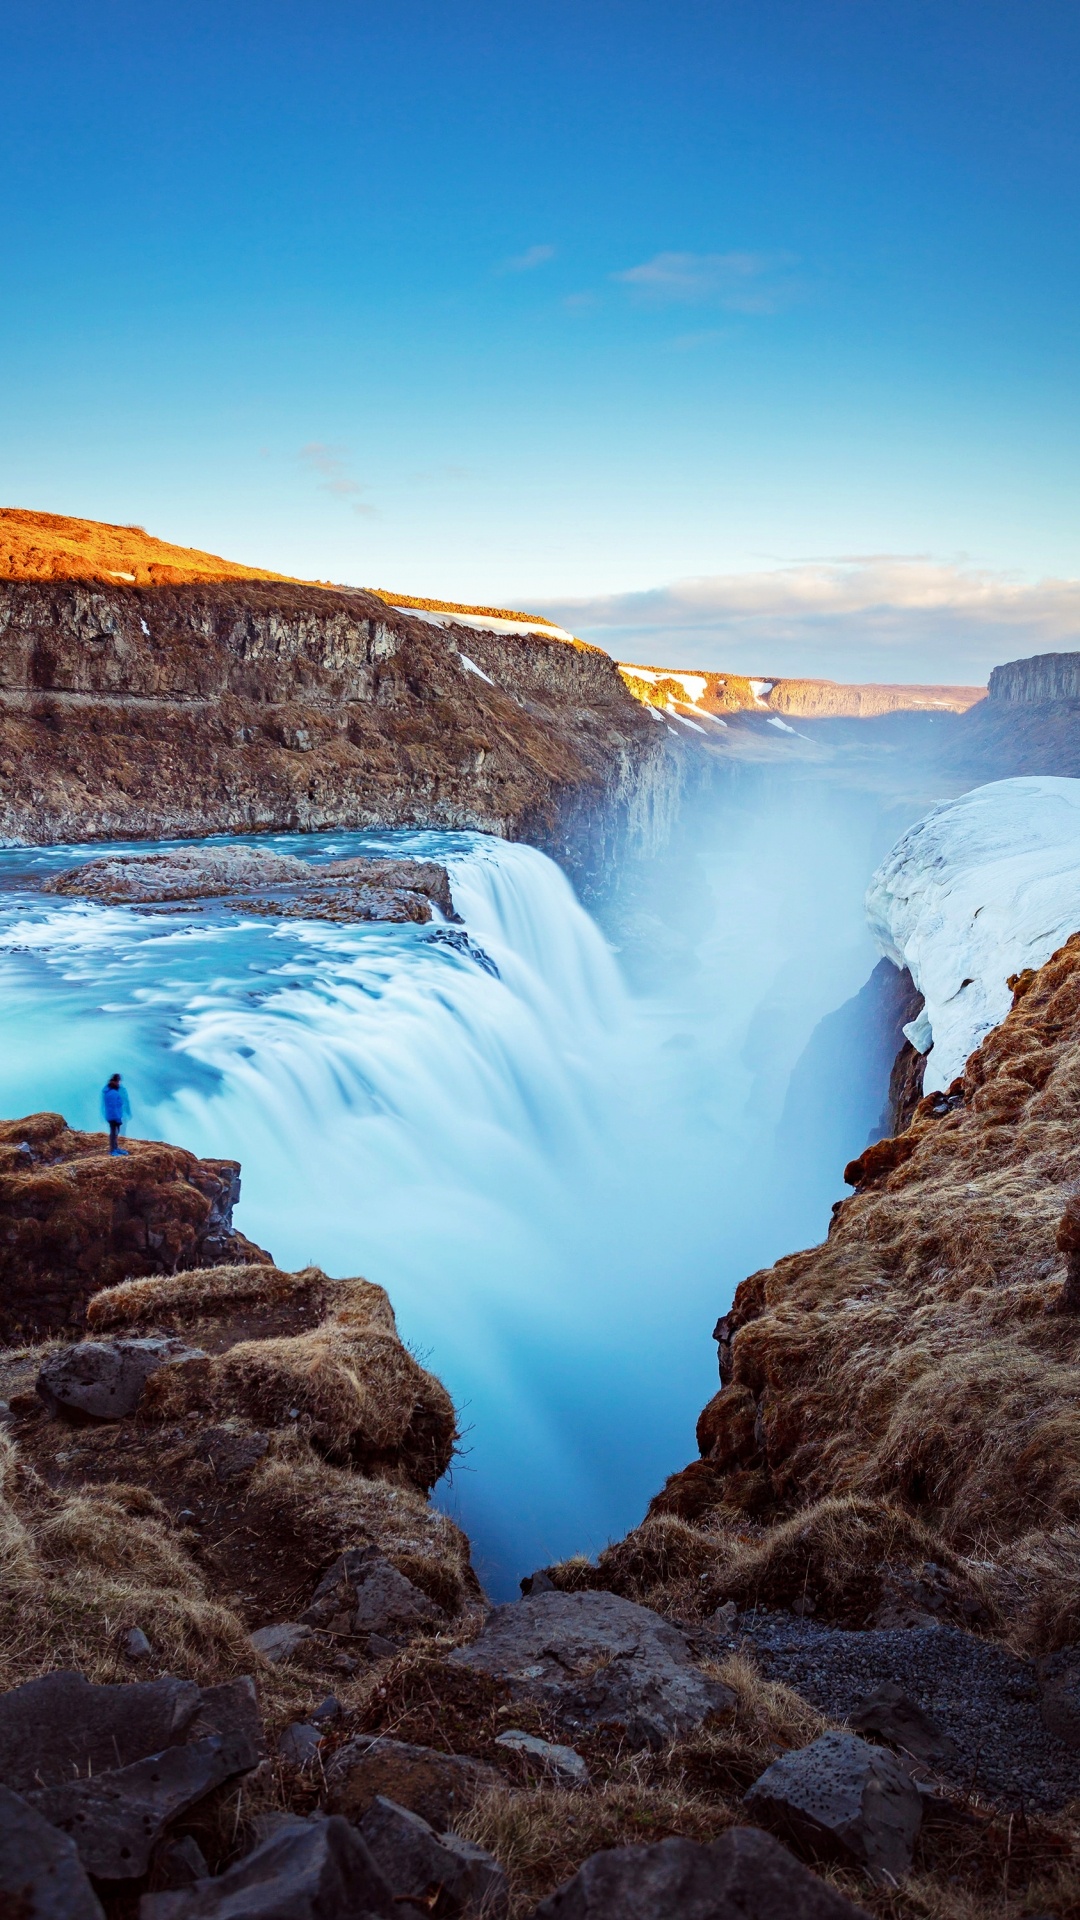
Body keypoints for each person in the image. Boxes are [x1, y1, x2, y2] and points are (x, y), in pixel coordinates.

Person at [101, 1073, 131, 1155]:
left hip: (112, 1116)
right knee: (114, 1132)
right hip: (113, 1117)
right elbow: (114, 1107)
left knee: (115, 1132)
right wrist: (118, 1118)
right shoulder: (113, 1093)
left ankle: (115, 1148)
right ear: (114, 1081)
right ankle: (113, 1150)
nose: (119, 1083)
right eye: (118, 1081)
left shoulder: (111, 1091)